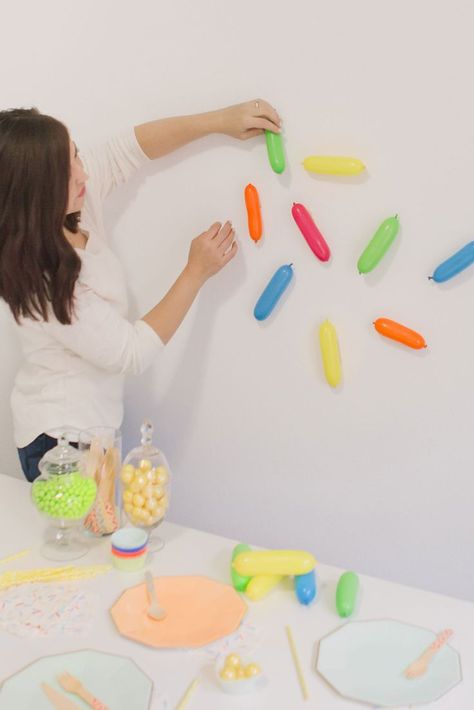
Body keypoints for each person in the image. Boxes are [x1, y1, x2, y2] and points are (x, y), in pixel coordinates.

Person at [0, 99, 282, 481]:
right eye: (65, 174)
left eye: (77, 156)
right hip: (60, 444)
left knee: (101, 539)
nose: (82, 175)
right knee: (82, 540)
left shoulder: (74, 208)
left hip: (92, 432)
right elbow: (131, 352)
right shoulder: (46, 280)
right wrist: (195, 271)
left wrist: (219, 120)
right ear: (34, 195)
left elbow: (129, 149)